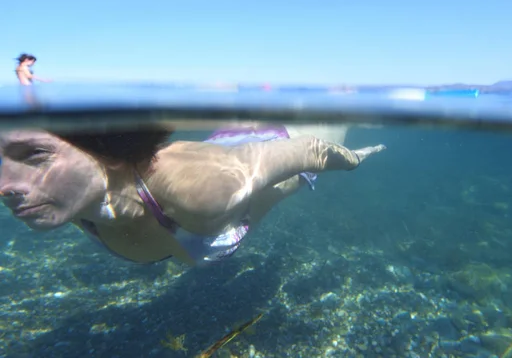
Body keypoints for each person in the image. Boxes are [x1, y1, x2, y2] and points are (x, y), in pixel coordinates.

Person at [0, 123, 385, 266]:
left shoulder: (199, 192)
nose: (5, 186)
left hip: (288, 138)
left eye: (34, 155)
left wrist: (353, 160)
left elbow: (306, 150)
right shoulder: (73, 201)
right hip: (228, 147)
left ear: (106, 148)